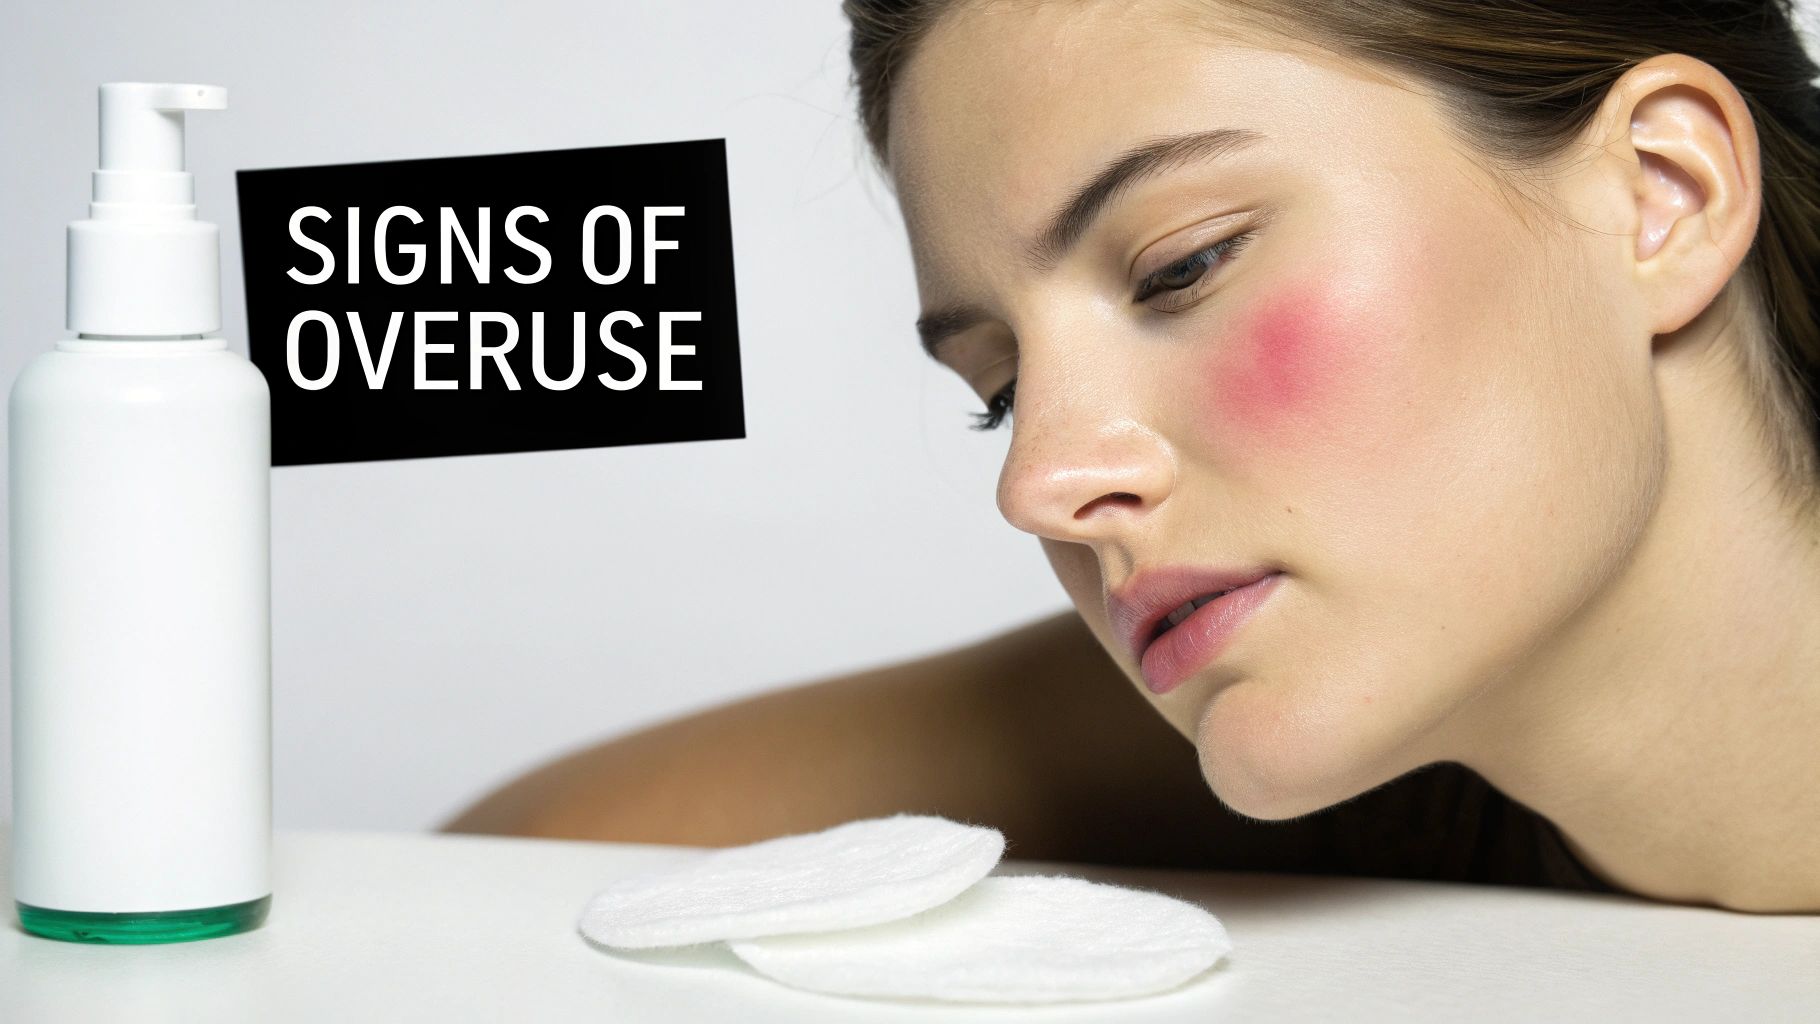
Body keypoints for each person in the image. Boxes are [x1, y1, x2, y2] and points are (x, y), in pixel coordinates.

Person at [445, 0, 1820, 913]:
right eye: (999, 387)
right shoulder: (1361, 733)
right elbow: (505, 883)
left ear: (1661, 199)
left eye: (1183, 266)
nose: (1038, 482)